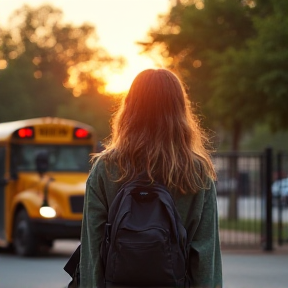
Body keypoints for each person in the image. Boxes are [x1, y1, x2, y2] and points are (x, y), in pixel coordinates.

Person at [80, 68, 222, 288]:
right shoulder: (196, 171)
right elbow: (205, 257)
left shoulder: (106, 167)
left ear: (130, 107)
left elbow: (93, 250)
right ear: (180, 109)